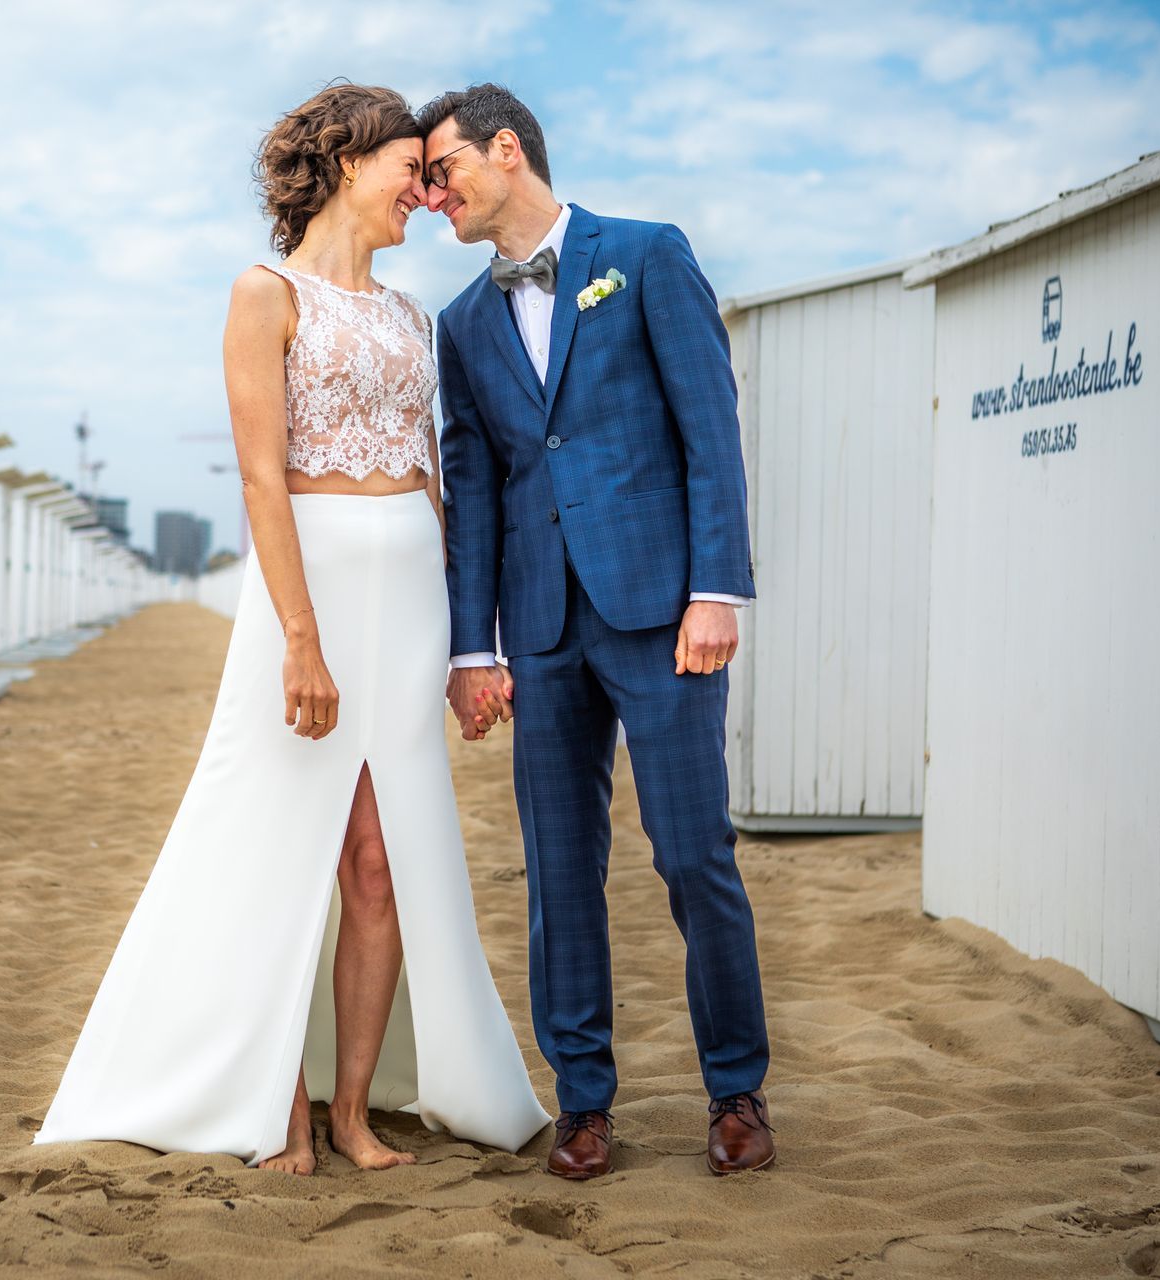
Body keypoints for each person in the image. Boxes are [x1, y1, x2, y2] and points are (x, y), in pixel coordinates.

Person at [34, 83, 549, 1175]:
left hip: (409, 606)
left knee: (380, 860)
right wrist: (300, 638)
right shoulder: (263, 293)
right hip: (306, 601)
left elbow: (443, 486)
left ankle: (352, 1106)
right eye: (408, 166)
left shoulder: (413, 316)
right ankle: (277, 1103)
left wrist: (472, 645)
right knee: (280, 846)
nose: (423, 187)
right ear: (346, 162)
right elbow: (264, 480)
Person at [420, 83, 776, 1179]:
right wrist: (473, 648)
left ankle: (736, 1089)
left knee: (693, 852)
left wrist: (717, 587)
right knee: (556, 867)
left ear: (507, 149)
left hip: (662, 611)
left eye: (444, 171)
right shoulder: (462, 323)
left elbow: (709, 430)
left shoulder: (648, 254)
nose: (433, 194)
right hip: (538, 630)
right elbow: (474, 489)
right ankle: (585, 1100)